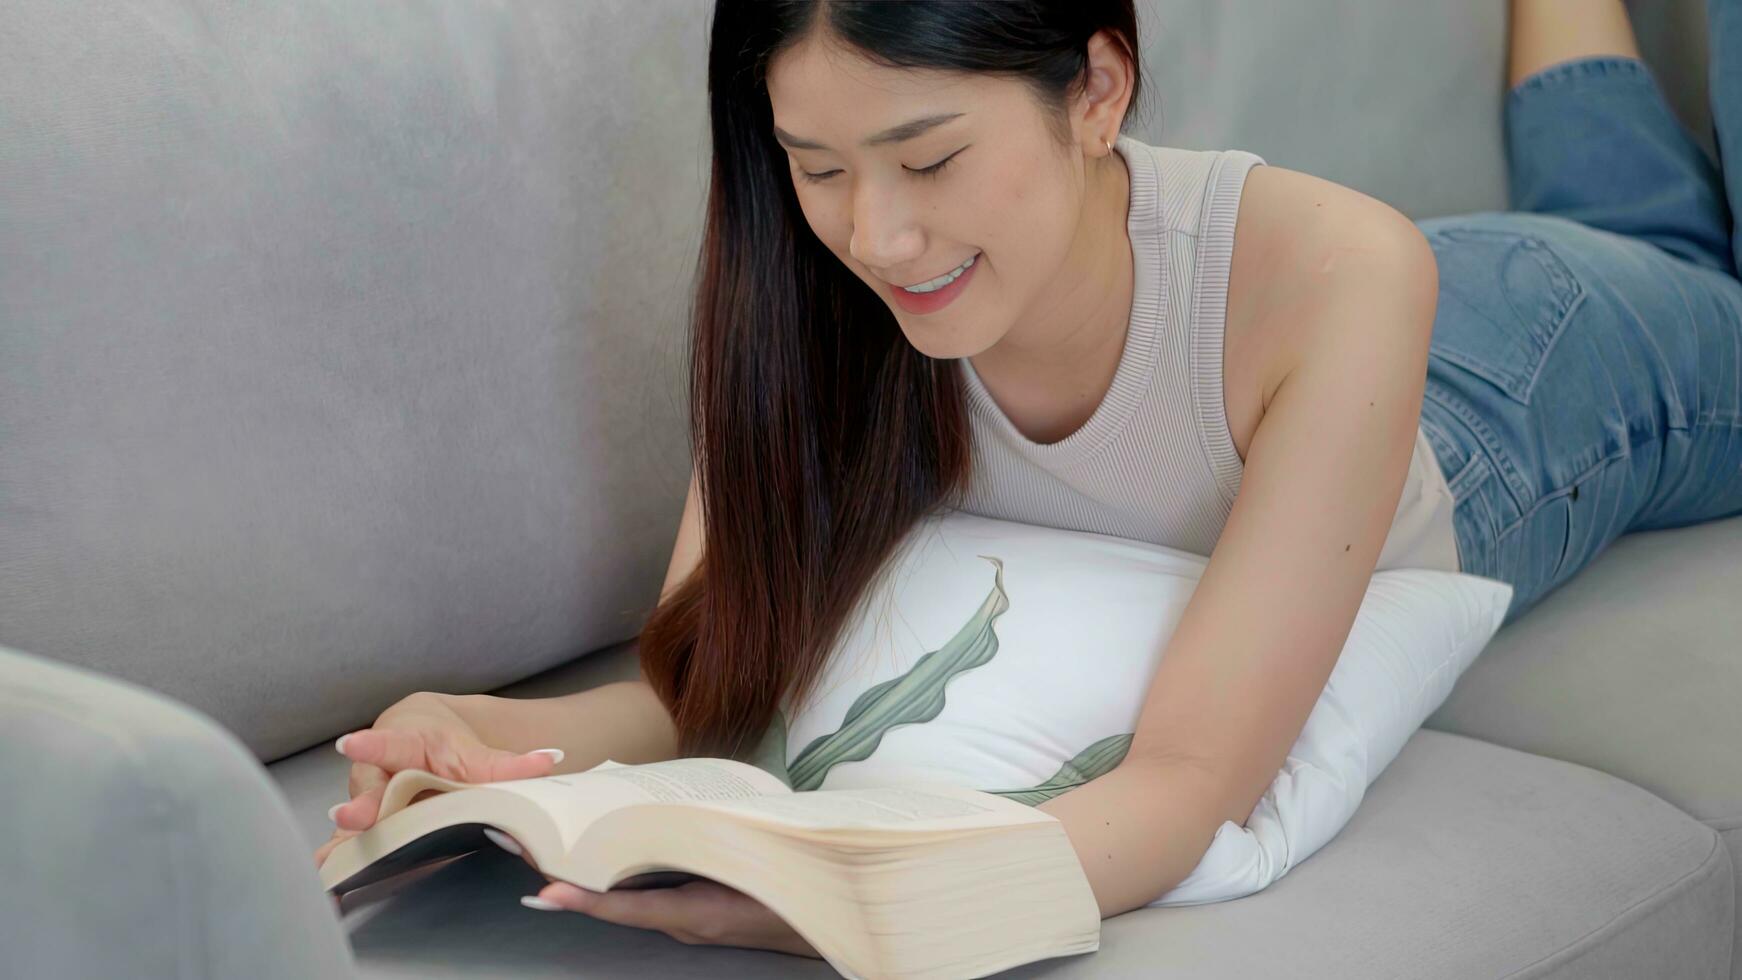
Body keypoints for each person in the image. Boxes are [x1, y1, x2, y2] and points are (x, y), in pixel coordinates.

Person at [317, 0, 1742, 956]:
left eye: (927, 157)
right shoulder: (808, 303)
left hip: (1519, 393)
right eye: (815, 167)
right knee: (1643, 230)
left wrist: (836, 903)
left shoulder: (1345, 267)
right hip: (1358, 342)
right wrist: (479, 736)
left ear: (1098, 88)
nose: (875, 236)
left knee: (1681, 271)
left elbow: (1186, 782)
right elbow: (713, 681)